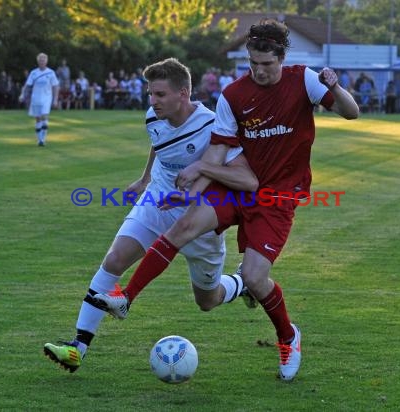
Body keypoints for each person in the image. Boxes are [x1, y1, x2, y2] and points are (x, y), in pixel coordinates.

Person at [94, 19, 359, 382]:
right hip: (236, 187)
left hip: (276, 196)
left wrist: (336, 87)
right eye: (253, 64)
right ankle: (125, 298)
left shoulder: (305, 80)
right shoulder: (233, 95)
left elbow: (351, 111)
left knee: (254, 275)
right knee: (184, 223)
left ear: (281, 58)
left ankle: (287, 336)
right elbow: (219, 150)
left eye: (267, 64)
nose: (260, 71)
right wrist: (198, 178)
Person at [43, 57, 259, 373]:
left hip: (199, 220)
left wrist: (200, 171)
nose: (152, 101)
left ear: (183, 94)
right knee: (114, 260)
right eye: (150, 94)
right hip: (156, 201)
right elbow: (158, 143)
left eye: (160, 95)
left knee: (207, 300)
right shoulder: (153, 116)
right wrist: (145, 179)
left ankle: (242, 283)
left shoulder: (212, 127)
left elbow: (246, 179)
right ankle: (78, 347)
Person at [19, 53, 59, 146]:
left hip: (47, 98)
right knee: (38, 119)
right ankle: (39, 140)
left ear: (46, 61)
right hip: (36, 98)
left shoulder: (51, 72)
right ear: (38, 61)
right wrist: (22, 94)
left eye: (43, 60)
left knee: (44, 116)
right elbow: (27, 85)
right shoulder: (33, 72)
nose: (42, 61)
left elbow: (56, 86)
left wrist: (55, 99)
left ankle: (43, 139)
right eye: (40, 60)